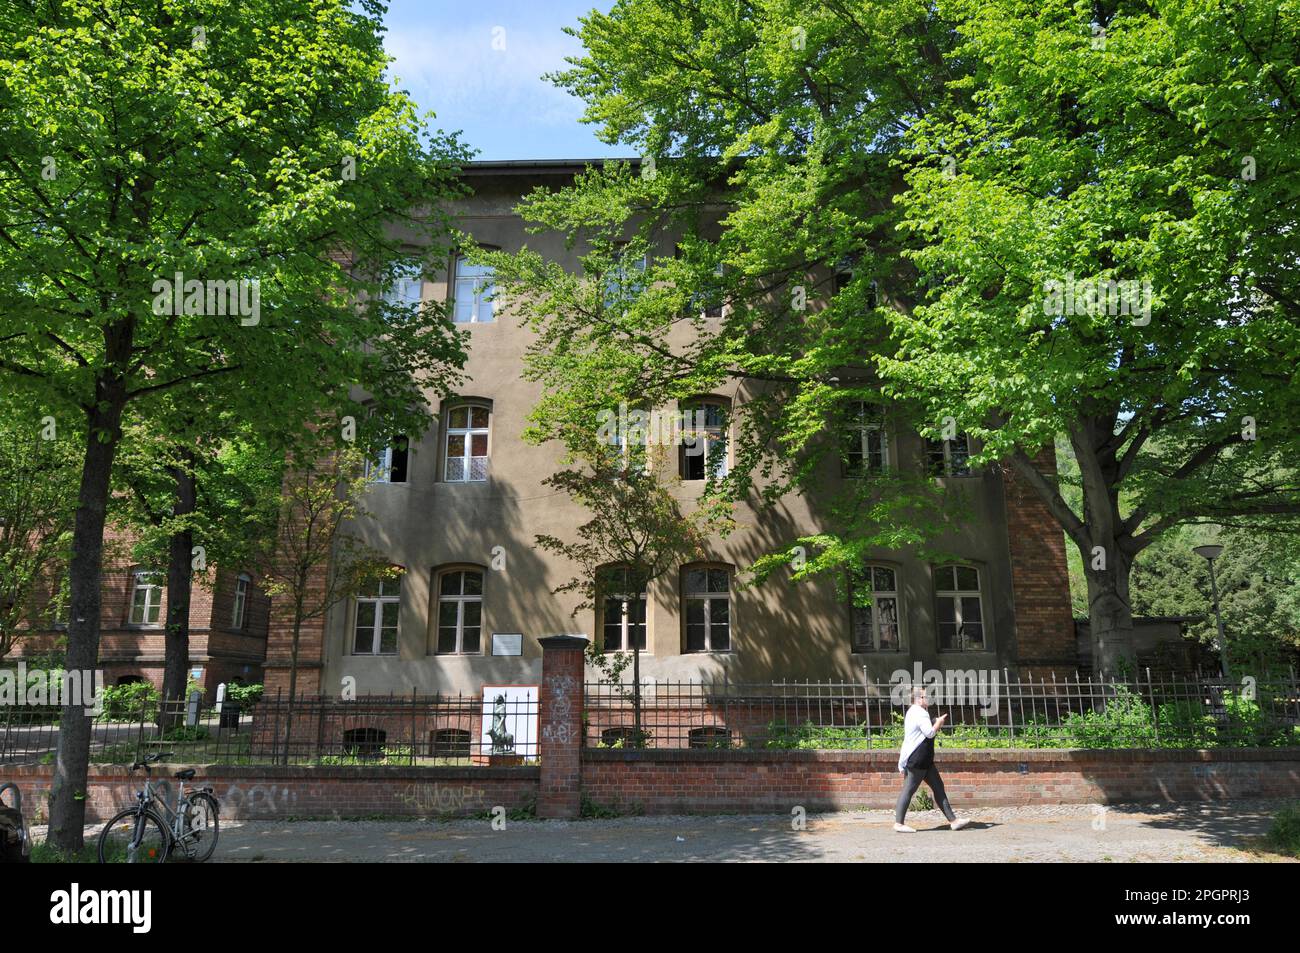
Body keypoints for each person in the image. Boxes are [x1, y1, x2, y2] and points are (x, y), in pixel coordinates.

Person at [894, 685, 969, 832]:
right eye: (926, 696)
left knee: (938, 787)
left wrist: (935, 721)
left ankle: (953, 821)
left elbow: (922, 730)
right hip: (919, 759)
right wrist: (939, 723)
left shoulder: (913, 712)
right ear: (919, 699)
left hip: (924, 759)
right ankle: (898, 823)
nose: (928, 698)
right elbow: (929, 733)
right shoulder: (920, 712)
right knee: (908, 790)